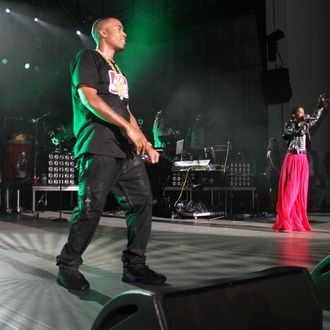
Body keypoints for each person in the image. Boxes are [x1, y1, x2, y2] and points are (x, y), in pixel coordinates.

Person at [56, 17, 167, 290]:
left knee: (142, 202)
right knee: (91, 208)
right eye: (119, 28)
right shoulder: (87, 58)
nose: (125, 33)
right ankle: (68, 266)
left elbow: (125, 109)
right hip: (98, 144)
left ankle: (134, 266)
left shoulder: (118, 70)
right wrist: (127, 129)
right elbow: (90, 99)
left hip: (125, 150)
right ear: (102, 33)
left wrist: (143, 138)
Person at [272, 94, 328, 232]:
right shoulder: (289, 125)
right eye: (299, 112)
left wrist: (319, 106)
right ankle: (285, 222)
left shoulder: (306, 122)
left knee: (300, 193)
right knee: (290, 191)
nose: (303, 114)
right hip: (292, 158)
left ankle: (296, 221)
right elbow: (295, 133)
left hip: (303, 160)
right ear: (294, 115)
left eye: (303, 112)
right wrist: (304, 124)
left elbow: (314, 118)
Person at [266, 138, 282, 213]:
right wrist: (280, 173)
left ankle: (276, 205)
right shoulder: (270, 152)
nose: (275, 145)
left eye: (277, 143)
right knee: (273, 188)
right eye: (274, 143)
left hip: (277, 172)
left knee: (277, 189)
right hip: (272, 172)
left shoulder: (278, 152)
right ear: (271, 144)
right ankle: (271, 205)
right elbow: (274, 164)